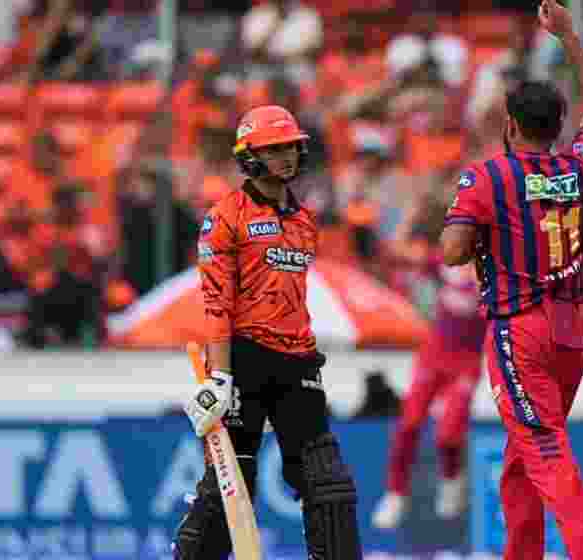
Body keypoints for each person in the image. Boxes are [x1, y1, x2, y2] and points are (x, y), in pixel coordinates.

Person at [439, 3, 583, 559]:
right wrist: (568, 35)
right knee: (521, 463)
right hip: (572, 334)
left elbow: (452, 252)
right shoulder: (580, 168)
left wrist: (471, 221)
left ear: (511, 126)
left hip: (521, 331)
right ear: (560, 127)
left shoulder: (489, 175)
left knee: (544, 452)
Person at [175, 105, 362, 560]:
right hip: (242, 360)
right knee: (229, 490)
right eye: (273, 149)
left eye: (290, 148)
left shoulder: (304, 222)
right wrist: (219, 378)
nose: (286, 157)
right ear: (250, 156)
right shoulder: (224, 217)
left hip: (298, 362)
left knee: (329, 485)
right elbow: (217, 302)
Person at [371, 261, 484, 529]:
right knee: (409, 422)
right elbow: (402, 260)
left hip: (467, 360)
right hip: (434, 353)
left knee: (449, 432)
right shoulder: (441, 259)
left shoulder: (496, 270)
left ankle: (451, 476)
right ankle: (395, 493)